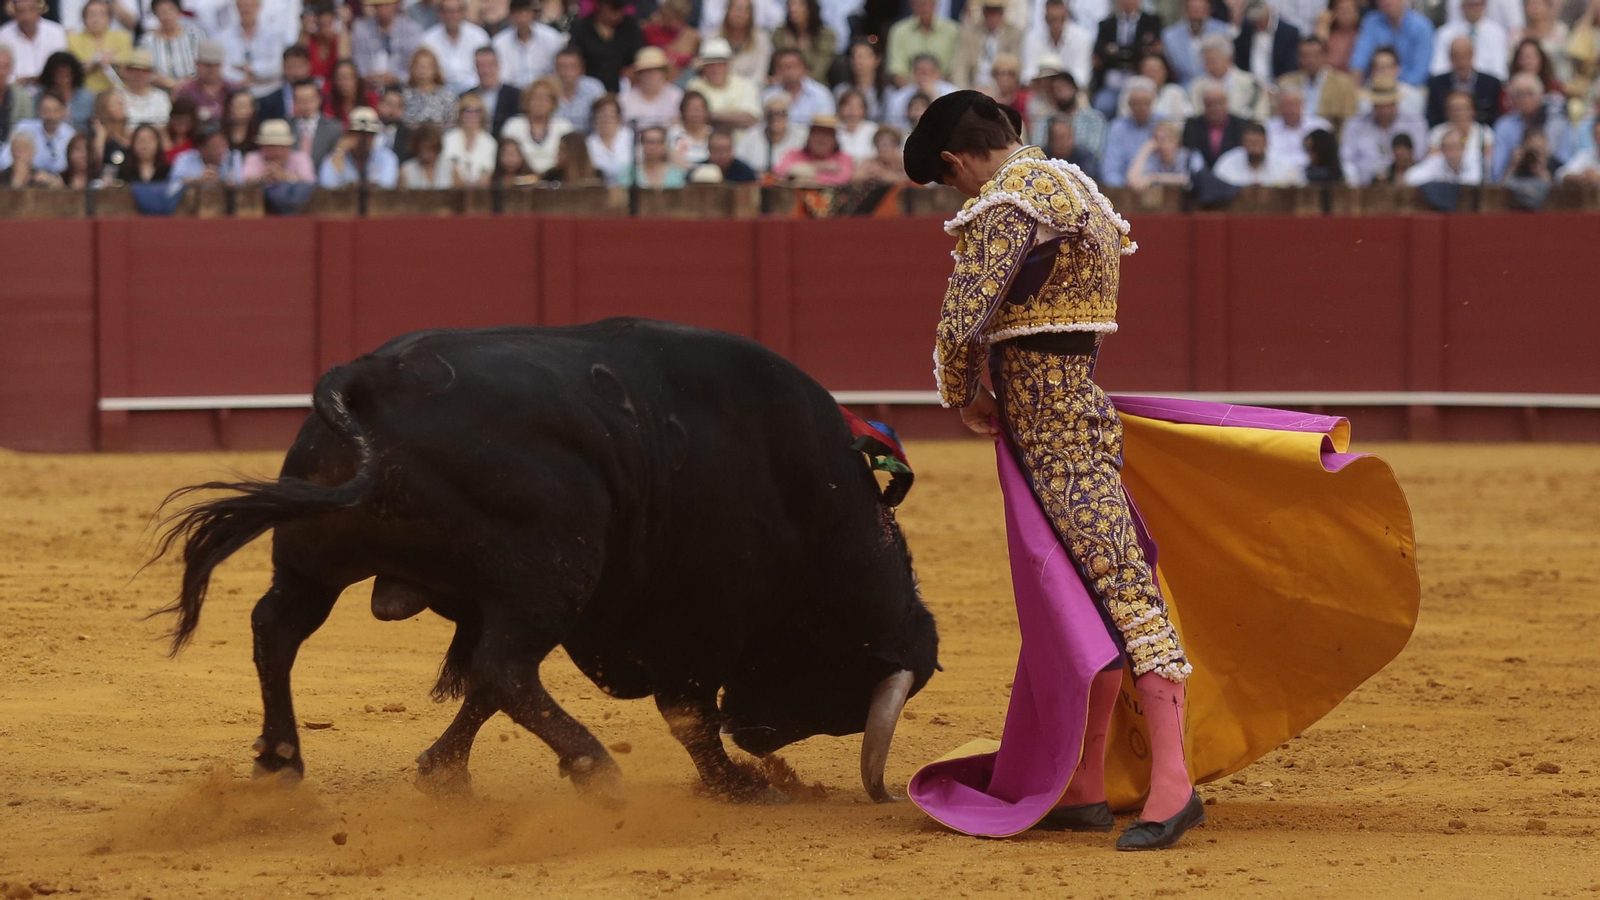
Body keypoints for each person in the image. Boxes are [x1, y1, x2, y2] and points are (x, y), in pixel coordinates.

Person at [902, 90, 1203, 851]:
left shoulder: (1009, 201)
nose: (959, 196)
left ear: (954, 159)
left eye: (949, 183)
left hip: (1054, 430)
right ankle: (1083, 781)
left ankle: (1174, 784)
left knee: (1123, 591)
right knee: (1084, 598)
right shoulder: (1080, 190)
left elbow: (960, 319)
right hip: (1073, 408)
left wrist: (963, 392)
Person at [1340, 78, 1428, 184]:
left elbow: (1420, 157)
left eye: (1388, 104)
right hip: (1364, 188)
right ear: (1372, 103)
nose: (1384, 110)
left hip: (1405, 186)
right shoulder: (1355, 124)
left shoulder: (1415, 124)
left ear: (1396, 103)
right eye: (1379, 105)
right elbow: (1347, 159)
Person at [1489, 71, 1570, 180]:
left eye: (1529, 93)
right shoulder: (1504, 125)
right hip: (1512, 185)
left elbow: (1566, 164)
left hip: (1550, 185)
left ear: (1541, 94)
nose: (1524, 99)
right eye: (1518, 94)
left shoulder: (1557, 122)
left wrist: (1544, 160)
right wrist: (1513, 162)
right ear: (1511, 98)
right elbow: (1496, 173)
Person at [1091, 0, 1161, 115]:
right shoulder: (1106, 24)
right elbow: (1100, 55)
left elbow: (1152, 50)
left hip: (1139, 77)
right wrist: (1135, 50)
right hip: (1112, 79)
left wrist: (1117, 51)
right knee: (1102, 106)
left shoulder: (1152, 21)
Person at [1279, 37, 1358, 131]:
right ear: (1298, 58)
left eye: (1316, 56)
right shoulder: (1285, 82)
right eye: (1306, 56)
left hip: (1327, 140)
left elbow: (1348, 121)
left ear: (1325, 56)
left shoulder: (1343, 84)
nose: (1311, 60)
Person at [567, 0, 646, 94]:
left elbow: (640, 54)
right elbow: (574, 56)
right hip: (589, 86)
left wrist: (633, 69)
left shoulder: (630, 26)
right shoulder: (581, 28)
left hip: (623, 86)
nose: (619, 13)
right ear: (601, 5)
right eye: (615, 7)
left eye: (621, 8)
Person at [1350, 0, 1434, 87]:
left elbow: (1420, 73)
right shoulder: (1371, 21)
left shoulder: (1422, 27)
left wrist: (1392, 84)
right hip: (1376, 84)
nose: (1387, 2)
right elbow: (1359, 59)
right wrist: (1355, 83)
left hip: (1410, 86)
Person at [1188, 33, 1271, 121]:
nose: (1208, 66)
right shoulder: (1196, 88)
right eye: (1205, 61)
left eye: (1212, 60)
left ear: (1228, 58)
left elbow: (1261, 118)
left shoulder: (1252, 85)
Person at [1425, 35, 1502, 126]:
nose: (1461, 62)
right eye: (1456, 56)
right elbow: (1433, 117)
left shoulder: (1491, 84)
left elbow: (1494, 117)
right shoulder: (1436, 84)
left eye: (1465, 55)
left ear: (1473, 55)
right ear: (1449, 58)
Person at [687, 37, 761, 132]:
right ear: (703, 67)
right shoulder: (694, 86)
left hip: (741, 143)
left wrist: (711, 116)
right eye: (710, 65)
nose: (715, 69)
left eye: (720, 64)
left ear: (728, 64)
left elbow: (751, 119)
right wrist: (734, 118)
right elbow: (692, 119)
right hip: (704, 143)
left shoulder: (746, 85)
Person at [352, 0, 424, 93]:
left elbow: (415, 65)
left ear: (396, 5)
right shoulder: (361, 29)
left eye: (387, 5)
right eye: (379, 5)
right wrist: (366, 76)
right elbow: (358, 60)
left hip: (402, 90)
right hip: (369, 89)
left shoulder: (412, 30)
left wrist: (397, 78)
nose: (383, 9)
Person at [319, 105, 400, 187]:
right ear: (349, 134)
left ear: (374, 136)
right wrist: (339, 152)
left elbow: (386, 187)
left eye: (369, 134)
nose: (363, 139)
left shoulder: (386, 157)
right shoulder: (334, 157)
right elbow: (328, 186)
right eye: (357, 133)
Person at [501, 77, 571, 171]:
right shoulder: (513, 125)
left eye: (545, 98)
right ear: (526, 101)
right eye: (535, 98)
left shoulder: (564, 126)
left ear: (553, 103)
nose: (540, 103)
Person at [421, 0, 489, 95]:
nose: (452, 16)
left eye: (456, 11)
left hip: (474, 92)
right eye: (447, 11)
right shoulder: (428, 39)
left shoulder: (478, 35)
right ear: (440, 13)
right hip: (440, 93)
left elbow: (487, 67)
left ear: (464, 12)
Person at [1429, 0, 1510, 81]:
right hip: (1453, 84)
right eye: (1470, 4)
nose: (1474, 8)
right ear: (1462, 6)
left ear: (1485, 6)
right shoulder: (1444, 33)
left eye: (1478, 4)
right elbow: (1438, 68)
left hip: (1487, 85)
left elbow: (1500, 70)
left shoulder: (1498, 33)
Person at [1099, 74, 1157, 186]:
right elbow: (1110, 171)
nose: (1141, 108)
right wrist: (1129, 186)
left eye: (1146, 103)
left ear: (1153, 102)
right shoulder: (1117, 128)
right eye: (1136, 103)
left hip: (1157, 188)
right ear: (1129, 104)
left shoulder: (1162, 123)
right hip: (1125, 189)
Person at [492, 0, 564, 89]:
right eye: (518, 13)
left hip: (546, 90)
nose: (522, 18)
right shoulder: (499, 42)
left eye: (526, 12)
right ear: (511, 16)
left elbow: (557, 71)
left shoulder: (551, 38)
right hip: (512, 93)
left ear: (532, 14)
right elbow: (502, 77)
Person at [1030, 69, 1104, 154]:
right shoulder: (1044, 122)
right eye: (1056, 89)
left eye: (1065, 87)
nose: (1061, 92)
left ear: (1075, 88)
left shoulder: (1094, 119)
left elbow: (1095, 152)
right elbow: (1037, 151)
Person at [887, 0, 960, 87]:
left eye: (928, 4)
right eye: (920, 4)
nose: (924, 8)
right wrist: (911, 93)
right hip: (909, 89)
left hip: (944, 88)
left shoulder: (953, 30)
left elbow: (956, 70)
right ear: (912, 5)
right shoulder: (899, 31)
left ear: (935, 5)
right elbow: (896, 71)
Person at [951, 0, 1021, 90]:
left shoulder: (1013, 34)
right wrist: (964, 91)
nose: (992, 16)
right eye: (989, 11)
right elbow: (960, 67)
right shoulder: (970, 33)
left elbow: (1015, 68)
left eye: (996, 12)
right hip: (974, 87)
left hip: (1002, 89)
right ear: (983, 12)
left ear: (1002, 13)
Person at [1428, 88, 1494, 179]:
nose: (1459, 113)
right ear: (1447, 112)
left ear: (1473, 110)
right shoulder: (1438, 132)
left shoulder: (1483, 132)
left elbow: (1488, 161)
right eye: (1454, 109)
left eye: (1463, 109)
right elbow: (1433, 160)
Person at [1024, 0, 1093, 87]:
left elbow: (1082, 77)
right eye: (1052, 19)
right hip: (1041, 90)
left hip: (1070, 93)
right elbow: (1028, 74)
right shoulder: (1032, 38)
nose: (1056, 24)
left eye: (1061, 19)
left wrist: (1060, 86)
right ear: (1045, 19)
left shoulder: (1082, 38)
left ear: (1067, 17)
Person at [762, 46, 837, 125]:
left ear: (804, 68)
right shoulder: (768, 95)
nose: (790, 71)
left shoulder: (821, 93)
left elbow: (827, 127)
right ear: (776, 70)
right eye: (785, 67)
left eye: (794, 66)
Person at [67, 0, 129, 95]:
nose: (96, 19)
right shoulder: (73, 39)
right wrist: (96, 60)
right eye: (91, 15)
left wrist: (113, 61)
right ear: (84, 19)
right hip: (85, 91)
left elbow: (128, 66)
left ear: (109, 18)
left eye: (101, 15)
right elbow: (73, 72)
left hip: (115, 90)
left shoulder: (122, 37)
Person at [1213, 120, 1304, 184]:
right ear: (1242, 143)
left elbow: (1298, 188)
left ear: (1266, 143)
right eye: (1250, 143)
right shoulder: (1226, 163)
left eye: (1258, 143)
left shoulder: (1284, 164)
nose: (1254, 148)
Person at [1161, 0, 1230, 85]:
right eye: (1193, 9)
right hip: (1183, 87)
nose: (1196, 15)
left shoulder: (1223, 32)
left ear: (1209, 11)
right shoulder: (1170, 36)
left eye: (1200, 9)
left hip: (1216, 85)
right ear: (1185, 11)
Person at [0, 0, 68, 85]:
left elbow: (60, 67)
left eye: (31, 10)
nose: (27, 17)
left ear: (39, 10)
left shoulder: (56, 32)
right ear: (15, 13)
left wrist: (44, 78)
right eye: (21, 11)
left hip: (48, 88)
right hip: (15, 90)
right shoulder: (3, 35)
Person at [773, 111, 853, 184]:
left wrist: (801, 175)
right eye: (817, 133)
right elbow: (779, 172)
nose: (822, 139)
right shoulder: (793, 154)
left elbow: (843, 178)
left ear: (834, 140)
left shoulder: (843, 158)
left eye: (827, 135)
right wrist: (819, 166)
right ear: (809, 137)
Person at [1182, 80, 1247, 167]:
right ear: (1204, 105)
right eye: (1210, 103)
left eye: (1219, 102)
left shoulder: (1241, 125)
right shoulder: (1192, 125)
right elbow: (1191, 153)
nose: (1215, 108)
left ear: (1226, 103)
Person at [1234, 1, 1300, 85]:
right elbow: (1240, 58)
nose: (1258, 26)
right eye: (1255, 23)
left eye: (1260, 22)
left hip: (1278, 84)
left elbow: (1290, 66)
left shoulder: (1288, 33)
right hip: (1250, 83)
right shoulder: (1247, 29)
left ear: (1268, 16)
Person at [1265, 86, 1330, 171]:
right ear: (1279, 107)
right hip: (1276, 175)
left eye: (1295, 104)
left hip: (1312, 176)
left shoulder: (1320, 126)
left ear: (1303, 105)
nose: (1291, 109)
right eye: (1286, 105)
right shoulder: (1267, 128)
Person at [885, 52, 958, 127]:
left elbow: (955, 123)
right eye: (920, 72)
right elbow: (893, 125)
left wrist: (934, 96)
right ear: (912, 73)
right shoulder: (898, 97)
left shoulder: (952, 93)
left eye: (928, 72)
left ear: (938, 73)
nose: (924, 77)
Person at [736, 92, 804, 171]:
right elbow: (739, 163)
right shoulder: (751, 136)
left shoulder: (801, 136)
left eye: (782, 113)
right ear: (765, 115)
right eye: (771, 113)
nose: (776, 117)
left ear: (788, 115)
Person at [619, 45, 684, 128]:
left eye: (656, 71)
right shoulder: (625, 100)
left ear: (664, 74)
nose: (651, 76)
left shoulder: (677, 97)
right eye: (646, 72)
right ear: (639, 75)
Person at [283, 78, 340, 168]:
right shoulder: (285, 127)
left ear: (319, 99)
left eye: (310, 99)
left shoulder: (334, 128)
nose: (306, 105)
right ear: (294, 102)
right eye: (301, 100)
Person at [1127, 117, 1199, 187]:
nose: (1164, 145)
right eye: (1159, 140)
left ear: (1178, 141)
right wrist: (1145, 150)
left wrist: (1155, 178)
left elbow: (1190, 180)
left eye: (1168, 139)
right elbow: (1132, 180)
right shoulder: (1155, 160)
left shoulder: (1190, 156)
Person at [465, 46, 521, 137]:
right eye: (481, 66)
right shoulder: (466, 96)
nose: (485, 71)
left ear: (498, 66)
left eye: (490, 65)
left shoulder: (515, 96)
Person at [442, 91, 496, 183]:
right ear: (460, 113)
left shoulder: (490, 142)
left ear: (482, 114)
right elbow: (448, 167)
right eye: (466, 110)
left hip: (479, 192)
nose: (471, 114)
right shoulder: (448, 138)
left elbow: (487, 173)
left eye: (476, 110)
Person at [241, 117, 316, 182]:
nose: (277, 152)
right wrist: (262, 178)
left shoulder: (301, 158)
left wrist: (285, 176)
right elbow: (244, 180)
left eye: (281, 147)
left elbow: (310, 180)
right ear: (262, 147)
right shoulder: (253, 158)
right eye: (271, 147)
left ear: (289, 147)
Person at [714, 0, 772, 85]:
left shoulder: (762, 39)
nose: (739, 14)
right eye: (736, 9)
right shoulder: (714, 37)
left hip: (751, 90)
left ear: (751, 14)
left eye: (744, 10)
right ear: (728, 11)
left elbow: (759, 75)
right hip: (719, 88)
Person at [1363, 46, 1427, 119]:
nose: (1382, 72)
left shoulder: (1414, 96)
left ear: (1397, 69)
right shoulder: (1363, 99)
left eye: (1386, 67)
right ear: (1372, 71)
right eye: (1378, 67)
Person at [551, 47, 606, 132]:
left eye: (572, 67)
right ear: (555, 69)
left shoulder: (594, 89)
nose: (566, 72)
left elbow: (605, 118)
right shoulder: (548, 90)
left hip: (588, 141)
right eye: (562, 67)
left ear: (582, 69)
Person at [38, 52, 95, 133]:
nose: (64, 79)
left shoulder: (87, 98)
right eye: (60, 74)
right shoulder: (40, 97)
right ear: (51, 75)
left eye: (68, 75)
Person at [615, 123, 686, 187]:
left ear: (664, 145)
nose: (652, 147)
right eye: (649, 142)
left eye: (658, 142)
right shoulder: (629, 173)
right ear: (642, 144)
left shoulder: (677, 174)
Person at [584, 92, 634, 183]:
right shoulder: (588, 144)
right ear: (594, 118)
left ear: (619, 118)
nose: (605, 119)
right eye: (601, 115)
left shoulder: (631, 137)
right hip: (600, 191)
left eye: (610, 115)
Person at [170, 123, 243, 184]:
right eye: (215, 146)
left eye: (223, 144)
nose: (221, 150)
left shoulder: (233, 157)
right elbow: (174, 183)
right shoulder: (184, 159)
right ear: (201, 149)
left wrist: (221, 183)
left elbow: (239, 184)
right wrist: (198, 180)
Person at [402, 46, 457, 126]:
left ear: (435, 70)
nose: (422, 71)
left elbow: (451, 125)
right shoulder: (403, 96)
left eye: (427, 67)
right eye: (418, 66)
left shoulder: (448, 98)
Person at [119, 49, 173, 127]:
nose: (139, 75)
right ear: (126, 71)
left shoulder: (161, 97)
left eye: (144, 71)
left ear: (151, 73)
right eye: (135, 70)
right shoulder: (116, 96)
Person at [642, 0, 699, 73]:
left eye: (669, 17)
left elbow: (695, 62)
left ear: (680, 18)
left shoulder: (692, 36)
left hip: (682, 77)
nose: (664, 19)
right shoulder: (650, 31)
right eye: (663, 15)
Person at [1404, 126, 1475, 182]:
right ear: (1442, 150)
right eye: (1448, 148)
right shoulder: (1436, 161)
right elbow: (1410, 176)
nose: (1452, 152)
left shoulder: (1475, 159)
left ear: (1463, 148)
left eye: (1455, 146)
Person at [300, 1, 347, 85]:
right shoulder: (309, 39)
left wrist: (343, 24)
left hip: (335, 88)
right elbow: (298, 57)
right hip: (312, 88)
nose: (325, 30)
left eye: (329, 24)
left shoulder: (340, 40)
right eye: (321, 25)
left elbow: (344, 61)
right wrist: (305, 29)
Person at [1135, 53, 1193, 121]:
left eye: (1156, 70)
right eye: (1148, 70)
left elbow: (1187, 117)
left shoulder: (1175, 91)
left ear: (1165, 72)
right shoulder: (1131, 92)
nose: (1152, 74)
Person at [1043, 114, 1100, 179]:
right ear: (1050, 139)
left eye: (1064, 137)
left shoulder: (1085, 156)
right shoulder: (1041, 156)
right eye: (1057, 137)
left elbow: (1088, 178)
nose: (1061, 142)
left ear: (1072, 137)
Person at [398, 121, 453, 186]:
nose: (428, 153)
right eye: (424, 148)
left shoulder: (451, 169)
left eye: (432, 148)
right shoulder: (406, 171)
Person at [667, 89, 713, 164]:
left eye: (699, 109)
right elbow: (674, 159)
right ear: (683, 111)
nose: (695, 114)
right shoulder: (675, 132)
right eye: (691, 109)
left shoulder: (713, 134)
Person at [325, 58, 377, 124]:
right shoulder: (329, 104)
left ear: (357, 79)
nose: (344, 82)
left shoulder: (371, 99)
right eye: (340, 78)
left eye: (349, 77)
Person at [1316, 0, 1363, 72]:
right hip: (1328, 75)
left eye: (1349, 10)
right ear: (1334, 13)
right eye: (1341, 10)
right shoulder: (1329, 34)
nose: (1345, 14)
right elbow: (1316, 55)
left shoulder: (1362, 35)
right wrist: (1323, 25)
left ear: (1357, 13)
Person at [834, 87, 878, 161]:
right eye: (848, 105)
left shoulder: (873, 129)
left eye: (858, 106)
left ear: (864, 110)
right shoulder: (833, 130)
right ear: (840, 108)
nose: (853, 110)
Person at [1555, 117, 1600, 182]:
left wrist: (1597, 176)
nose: (1599, 140)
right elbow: (1560, 174)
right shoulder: (1584, 155)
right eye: (1597, 135)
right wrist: (1581, 176)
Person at [223, 87, 258, 153]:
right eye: (241, 105)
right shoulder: (220, 133)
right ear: (229, 108)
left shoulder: (258, 134)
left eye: (249, 105)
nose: (246, 110)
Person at [163, 95, 198, 162]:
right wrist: (164, 137)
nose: (180, 124)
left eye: (185, 121)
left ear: (193, 121)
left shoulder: (197, 142)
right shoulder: (163, 135)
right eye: (177, 119)